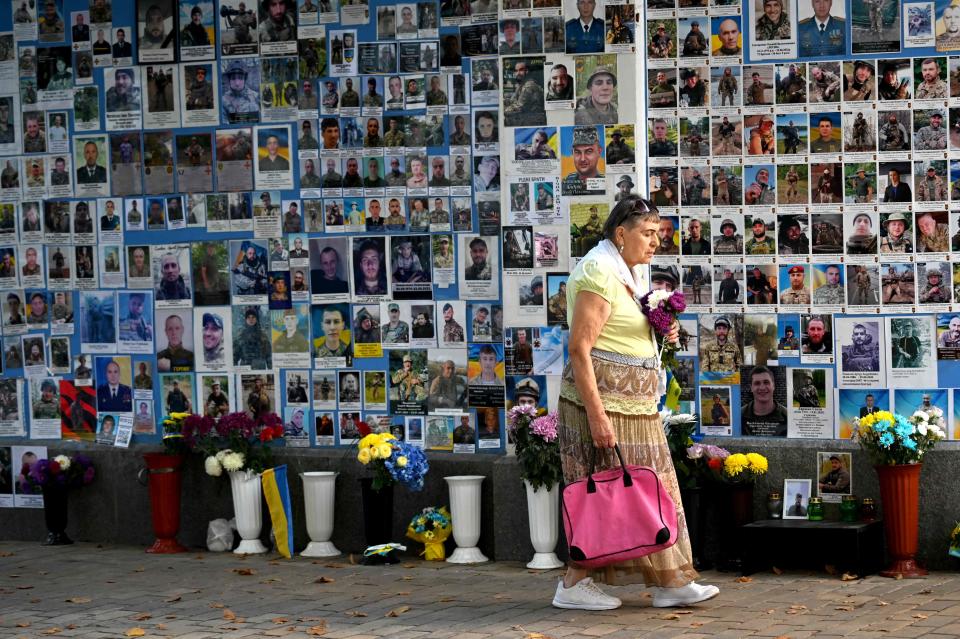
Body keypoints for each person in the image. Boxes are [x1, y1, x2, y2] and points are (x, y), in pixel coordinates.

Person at [554, 195, 717, 611]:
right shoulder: (597, 271)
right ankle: (573, 584)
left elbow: (625, 329)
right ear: (620, 234)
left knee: (655, 490)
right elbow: (579, 349)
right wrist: (597, 418)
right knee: (603, 498)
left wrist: (663, 331)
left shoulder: (627, 271)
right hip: (604, 408)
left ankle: (671, 580)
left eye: (658, 234)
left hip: (636, 406)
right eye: (648, 233)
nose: (656, 242)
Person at [741, 366, 788, 435]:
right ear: (751, 388)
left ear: (773, 385)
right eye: (757, 383)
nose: (762, 387)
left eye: (766, 382)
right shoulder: (739, 416)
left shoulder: (788, 417)